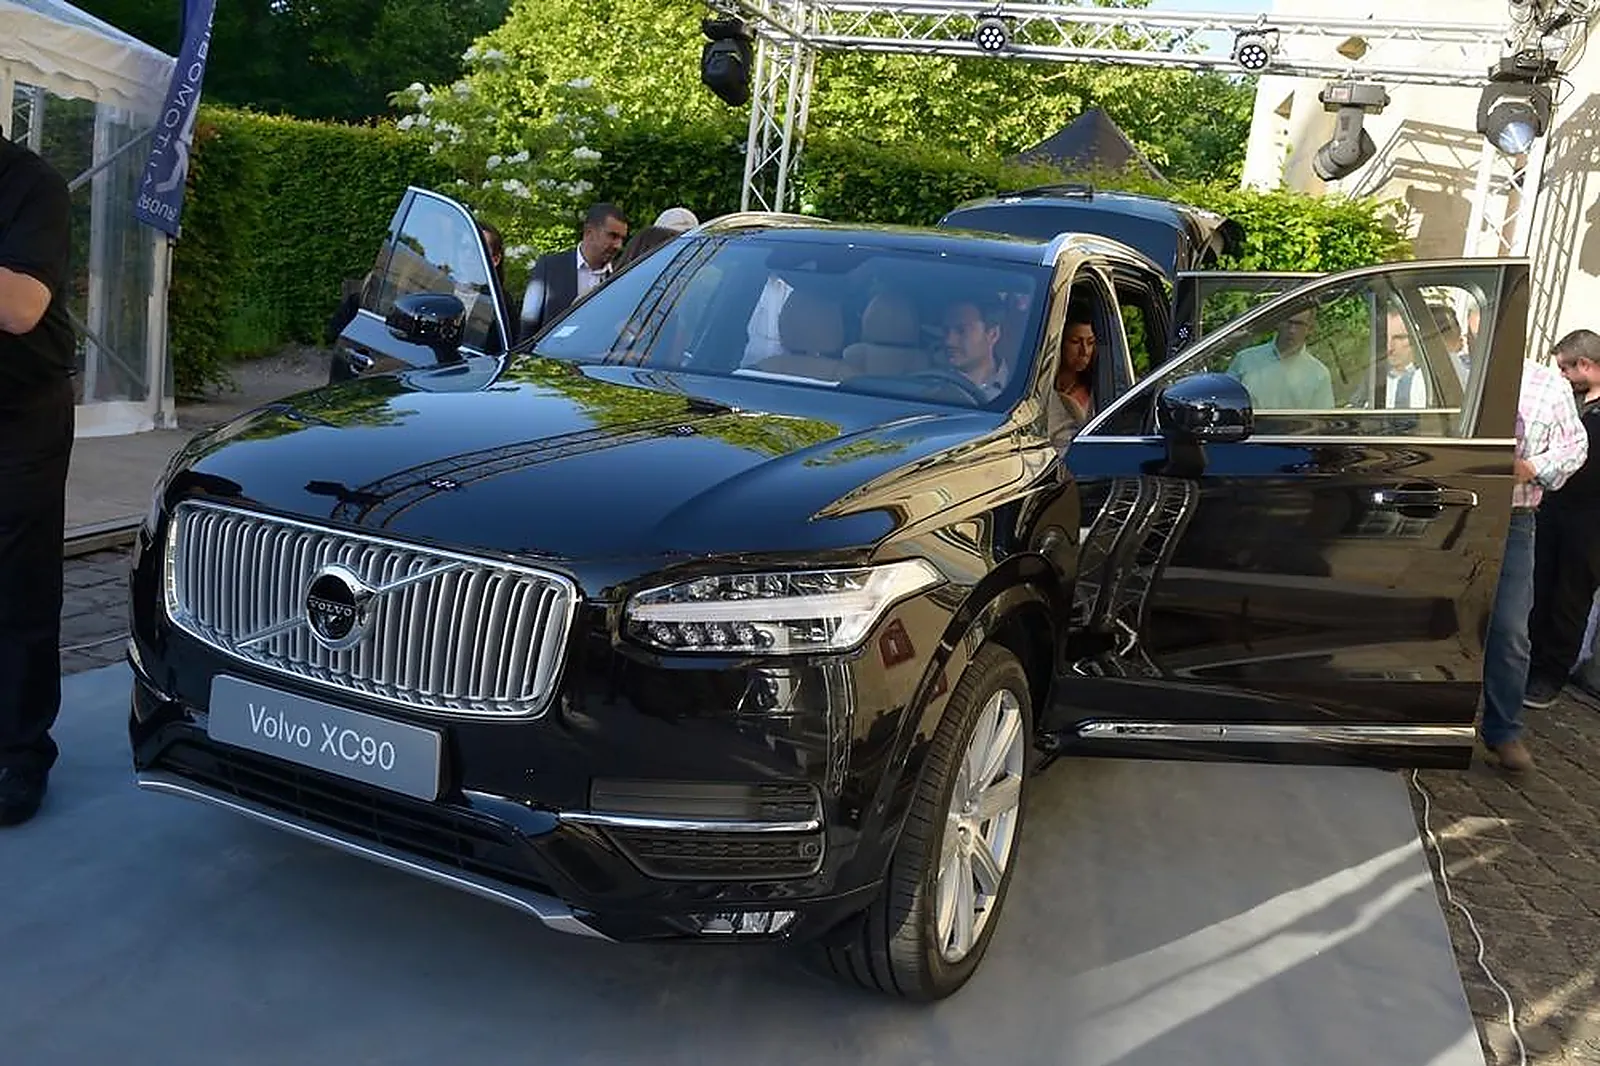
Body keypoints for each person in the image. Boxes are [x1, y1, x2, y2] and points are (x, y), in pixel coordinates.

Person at [0, 132, 76, 826]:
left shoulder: (30, 184)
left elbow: (20, 307)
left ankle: (18, 757)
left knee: (17, 588)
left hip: (18, 419)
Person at [1479, 347, 1588, 772]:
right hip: (1445, 508)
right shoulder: (1449, 373)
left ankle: (1503, 729)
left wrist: (1533, 466)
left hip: (1513, 519)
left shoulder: (1547, 384)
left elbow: (1575, 447)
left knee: (1508, 629)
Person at [1523, 329, 1600, 709]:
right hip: (1554, 508)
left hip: (1590, 520)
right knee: (1539, 587)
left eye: (1567, 368)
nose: (1563, 377)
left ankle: (1551, 674)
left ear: (1586, 364)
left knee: (1570, 596)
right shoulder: (1570, 400)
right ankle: (1530, 660)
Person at [517, 203, 627, 342]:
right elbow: (527, 327)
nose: (618, 245)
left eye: (622, 239)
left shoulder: (621, 278)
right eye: (612, 236)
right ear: (589, 232)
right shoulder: (550, 267)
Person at [1225, 305, 1334, 410]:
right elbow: (1225, 402)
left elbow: (1321, 423)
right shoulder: (1245, 360)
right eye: (1289, 322)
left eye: (1299, 324)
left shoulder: (1319, 374)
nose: (1292, 330)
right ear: (1279, 322)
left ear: (1310, 329)